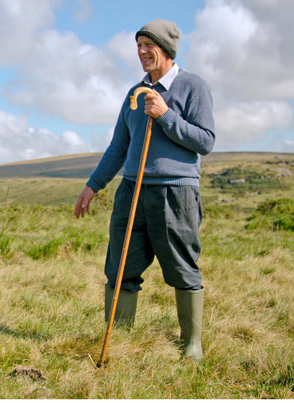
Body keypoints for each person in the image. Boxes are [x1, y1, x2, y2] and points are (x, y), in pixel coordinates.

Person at [73, 18, 215, 360]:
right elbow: (118, 147)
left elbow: (206, 141)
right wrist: (93, 186)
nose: (141, 52)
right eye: (138, 46)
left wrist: (165, 115)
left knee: (182, 267)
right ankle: (119, 339)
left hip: (174, 193)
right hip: (131, 191)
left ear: (166, 49)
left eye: (147, 45)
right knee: (120, 267)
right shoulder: (134, 94)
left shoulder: (193, 86)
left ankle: (191, 344)